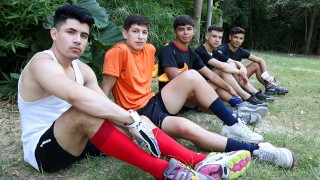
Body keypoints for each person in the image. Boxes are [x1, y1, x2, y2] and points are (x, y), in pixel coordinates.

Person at [17, 5, 254, 180]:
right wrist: (130, 119)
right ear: (54, 34)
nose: (78, 40)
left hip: (81, 142)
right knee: (87, 111)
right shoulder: (42, 63)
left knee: (135, 117)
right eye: (70, 32)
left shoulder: (83, 69)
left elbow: (101, 102)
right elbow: (77, 98)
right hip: (45, 150)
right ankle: (166, 173)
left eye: (84, 35)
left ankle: (199, 162)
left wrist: (135, 121)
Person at [102, 14, 295, 169]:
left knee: (193, 75)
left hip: (156, 101)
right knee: (188, 129)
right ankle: (257, 150)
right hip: (138, 114)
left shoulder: (150, 49)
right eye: (135, 32)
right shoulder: (117, 53)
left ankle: (232, 122)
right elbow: (103, 94)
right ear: (124, 33)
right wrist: (123, 125)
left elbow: (211, 73)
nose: (140, 36)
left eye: (144, 32)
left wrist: (235, 76)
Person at [194, 25, 275, 103]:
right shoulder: (200, 51)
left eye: (220, 37)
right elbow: (222, 66)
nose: (217, 40)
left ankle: (254, 92)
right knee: (222, 69)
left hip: (214, 83)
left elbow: (232, 61)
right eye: (214, 36)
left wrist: (241, 66)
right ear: (207, 36)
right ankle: (246, 95)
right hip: (200, 87)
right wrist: (239, 72)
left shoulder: (214, 52)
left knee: (232, 65)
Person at [217, 27, 289, 95]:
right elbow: (217, 55)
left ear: (243, 40)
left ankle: (270, 87)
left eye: (241, 38)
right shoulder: (223, 48)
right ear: (230, 37)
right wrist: (235, 63)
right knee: (233, 66)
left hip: (238, 77)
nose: (238, 40)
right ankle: (253, 92)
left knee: (256, 65)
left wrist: (266, 75)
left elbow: (260, 60)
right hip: (226, 78)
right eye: (235, 37)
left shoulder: (240, 51)